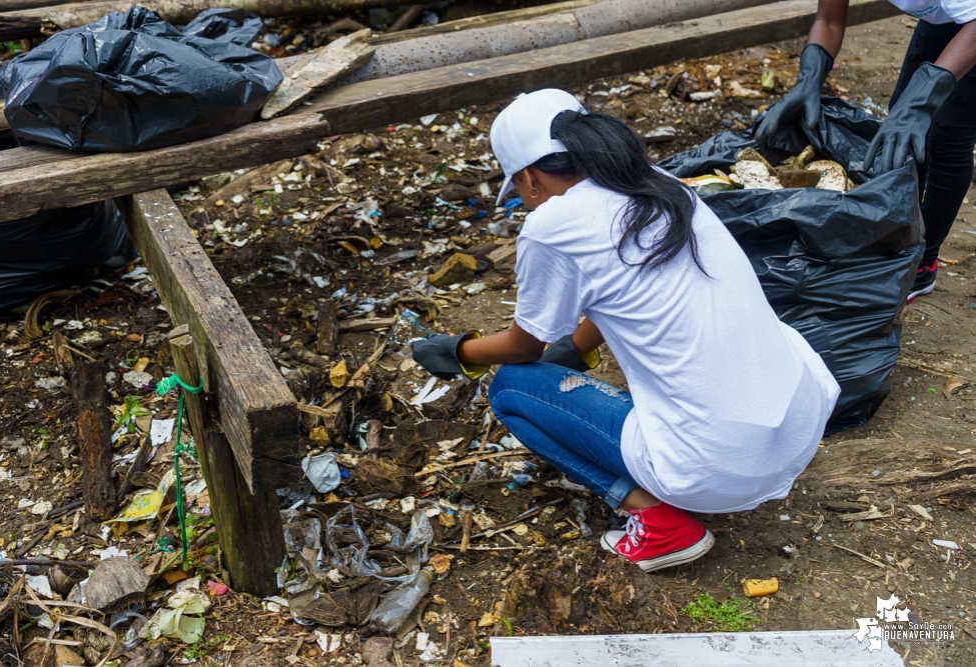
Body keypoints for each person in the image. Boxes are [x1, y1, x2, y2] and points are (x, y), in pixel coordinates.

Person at [411, 89, 841, 572]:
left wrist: (461, 350)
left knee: (512, 389)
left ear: (529, 177)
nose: (524, 200)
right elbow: (619, 284)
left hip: (720, 463)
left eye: (517, 189)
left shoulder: (552, 225)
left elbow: (523, 346)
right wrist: (577, 349)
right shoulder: (656, 183)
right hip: (802, 421)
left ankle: (660, 523)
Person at [755, 0, 976, 302]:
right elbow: (829, 19)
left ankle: (924, 263)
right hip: (950, 17)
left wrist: (924, 100)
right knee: (902, 119)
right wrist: (809, 78)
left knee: (947, 139)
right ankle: (902, 243)